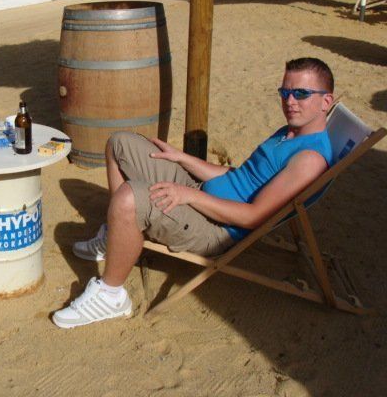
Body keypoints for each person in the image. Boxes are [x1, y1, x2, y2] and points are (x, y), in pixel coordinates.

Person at [52, 58, 335, 328]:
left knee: (129, 198)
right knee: (119, 143)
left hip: (216, 229)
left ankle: (111, 295)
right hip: (201, 195)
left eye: (301, 93)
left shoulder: (309, 160)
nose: (289, 101)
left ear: (326, 101)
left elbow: (253, 217)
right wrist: (183, 159)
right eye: (285, 92)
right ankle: (119, 237)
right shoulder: (289, 131)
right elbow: (239, 175)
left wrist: (189, 196)